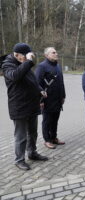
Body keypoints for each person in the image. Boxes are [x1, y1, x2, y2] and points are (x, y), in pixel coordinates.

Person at [1, 43, 48, 171]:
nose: (27, 59)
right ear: (17, 55)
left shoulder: (24, 63)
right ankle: (19, 160)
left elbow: (32, 80)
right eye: (25, 57)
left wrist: (40, 90)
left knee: (32, 133)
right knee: (21, 136)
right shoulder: (7, 64)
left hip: (31, 104)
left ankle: (32, 153)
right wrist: (28, 62)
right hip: (19, 106)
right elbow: (15, 76)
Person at [35, 47, 66, 149]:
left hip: (57, 99)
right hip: (47, 100)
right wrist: (40, 100)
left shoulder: (57, 66)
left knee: (55, 120)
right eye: (53, 53)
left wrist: (63, 95)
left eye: (56, 52)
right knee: (47, 121)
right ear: (47, 55)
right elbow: (37, 84)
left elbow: (61, 82)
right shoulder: (41, 66)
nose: (56, 54)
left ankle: (53, 137)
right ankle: (47, 140)